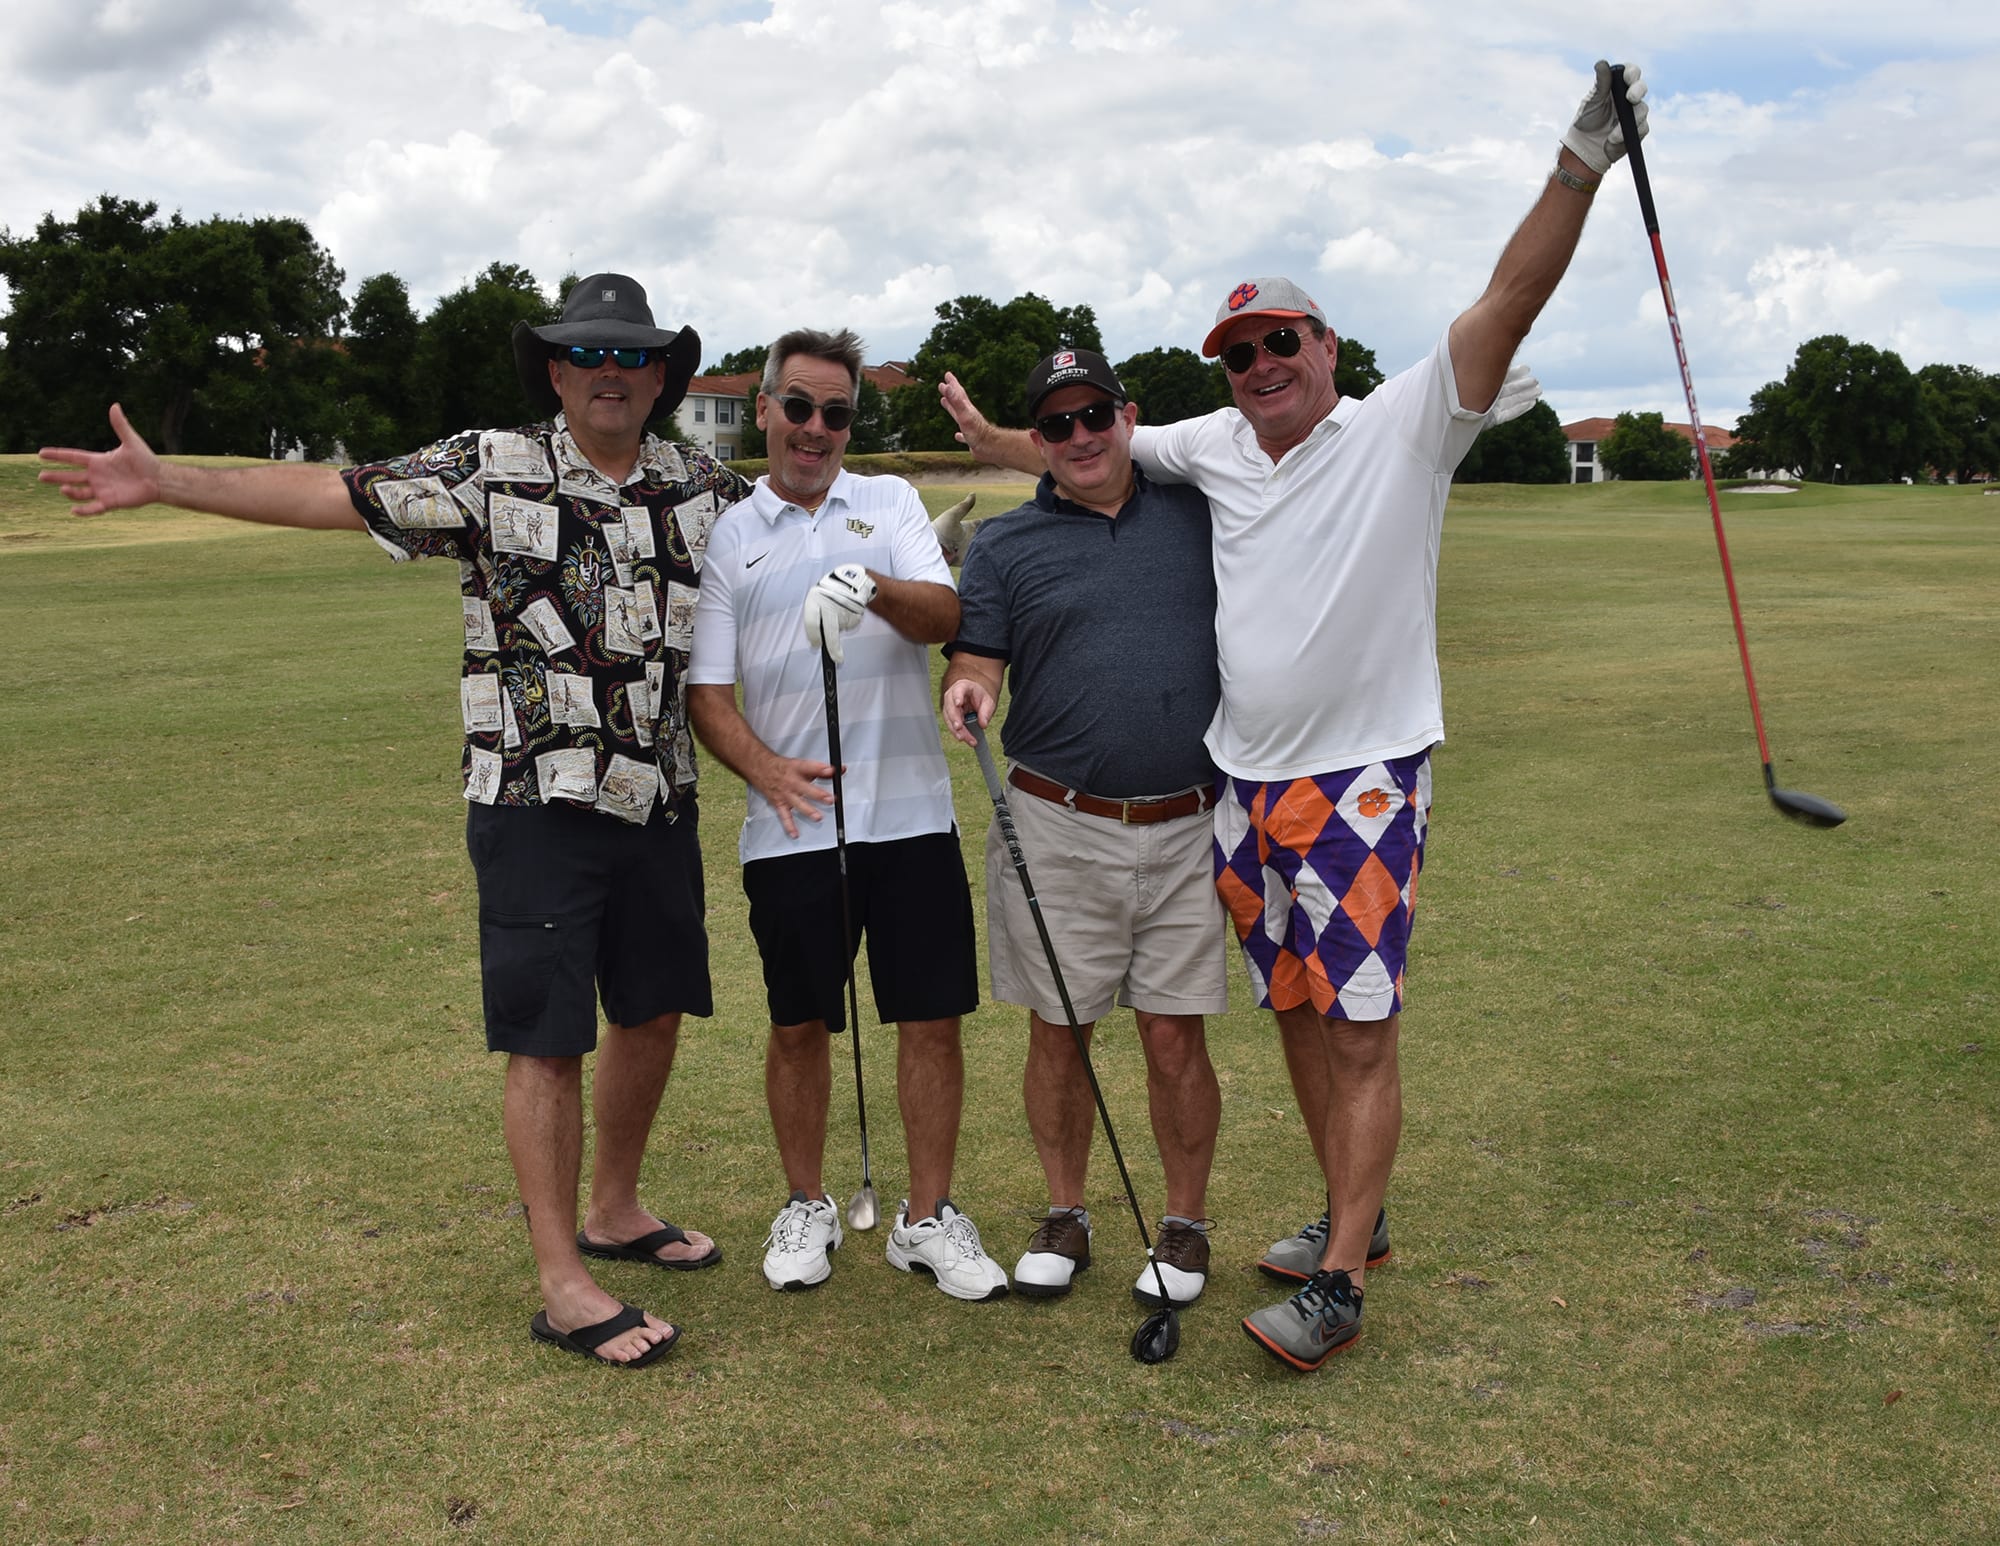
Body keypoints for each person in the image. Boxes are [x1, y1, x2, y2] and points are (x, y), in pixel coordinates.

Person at [938, 63, 1650, 1369]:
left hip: (1364, 778)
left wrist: (1579, 162)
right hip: (1244, 788)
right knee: (1298, 1014)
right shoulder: (1206, 442)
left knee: (1363, 1025)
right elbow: (1081, 450)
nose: (1262, 363)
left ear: (1327, 349)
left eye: (1282, 341)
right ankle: (1349, 1220)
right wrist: (992, 433)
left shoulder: (1404, 427)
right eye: (1241, 352)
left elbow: (1510, 297)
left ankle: (1336, 1282)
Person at [39, 273, 744, 1369]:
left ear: (661, 375)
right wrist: (166, 480)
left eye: (631, 356)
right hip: (530, 800)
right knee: (546, 1038)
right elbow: (333, 494)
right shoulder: (486, 468)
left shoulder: (705, 486)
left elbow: (805, 554)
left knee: (651, 1011)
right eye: (588, 356)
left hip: (657, 797)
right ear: (556, 372)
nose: (611, 373)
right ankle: (563, 1281)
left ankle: (613, 1209)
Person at [687, 327, 1008, 1302]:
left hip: (907, 817)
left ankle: (924, 1217)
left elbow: (946, 618)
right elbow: (708, 693)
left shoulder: (890, 503)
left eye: (835, 413)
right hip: (791, 830)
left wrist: (870, 587)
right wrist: (767, 772)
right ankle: (806, 1203)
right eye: (798, 407)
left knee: (930, 1020)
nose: (815, 428)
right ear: (764, 410)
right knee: (798, 1025)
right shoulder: (730, 534)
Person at [939, 348, 1226, 1309]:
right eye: (1055, 425)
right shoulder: (1006, 546)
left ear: (1126, 414)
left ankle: (1182, 1226)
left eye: (1092, 415)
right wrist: (970, 690)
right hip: (1056, 821)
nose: (1078, 437)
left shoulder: (1197, 510)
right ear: (1042, 441)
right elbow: (977, 658)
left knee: (1174, 1037)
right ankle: (1066, 1213)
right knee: (1058, 1031)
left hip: (1188, 822)